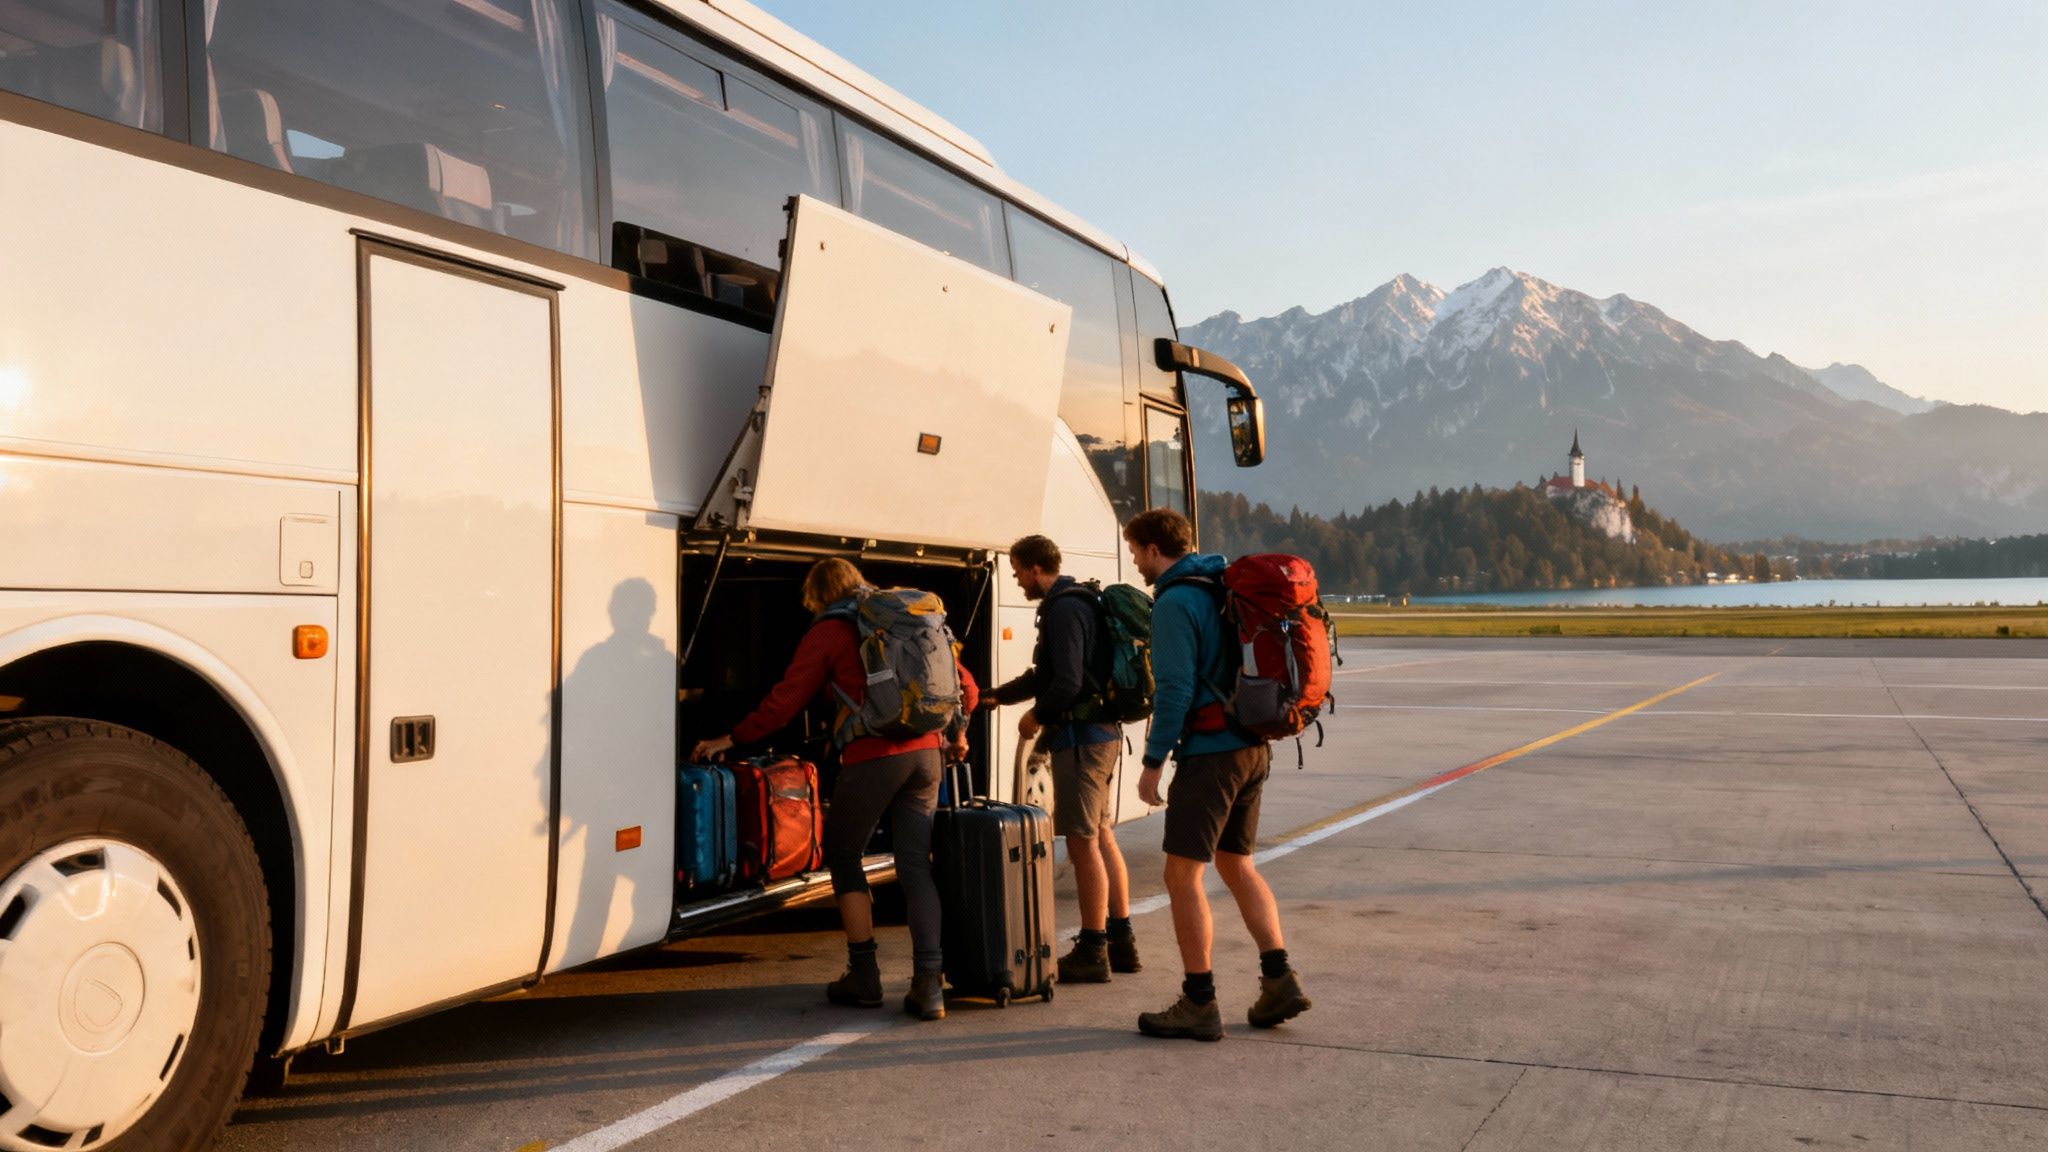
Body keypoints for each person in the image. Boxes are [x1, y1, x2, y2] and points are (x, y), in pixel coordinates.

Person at [691, 558, 977, 1021]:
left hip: (873, 757)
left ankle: (864, 976)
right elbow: (966, 685)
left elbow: (786, 700)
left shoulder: (830, 630)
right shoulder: (906, 621)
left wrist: (734, 737)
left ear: (819, 595)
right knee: (914, 865)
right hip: (927, 755)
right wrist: (957, 732)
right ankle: (929, 986)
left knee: (844, 857)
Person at [1122, 508, 1311, 1041]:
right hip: (1252, 747)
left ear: (1155, 549)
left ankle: (1199, 1001)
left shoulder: (1176, 602)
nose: (1134, 560)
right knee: (1238, 865)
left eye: (1135, 550)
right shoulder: (1220, 586)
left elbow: (1176, 690)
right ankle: (1279, 980)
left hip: (1211, 755)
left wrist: (1152, 764)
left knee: (1181, 876)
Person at [978, 535, 1141, 983]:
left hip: (1082, 737)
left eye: (1017, 571)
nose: (1016, 579)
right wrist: (997, 696)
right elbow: (1045, 674)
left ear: (1035, 569)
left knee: (1082, 841)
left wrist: (1035, 716)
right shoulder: (1077, 601)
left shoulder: (1064, 608)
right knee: (1102, 835)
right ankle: (1121, 940)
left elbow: (1066, 682)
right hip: (1100, 734)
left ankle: (1093, 949)